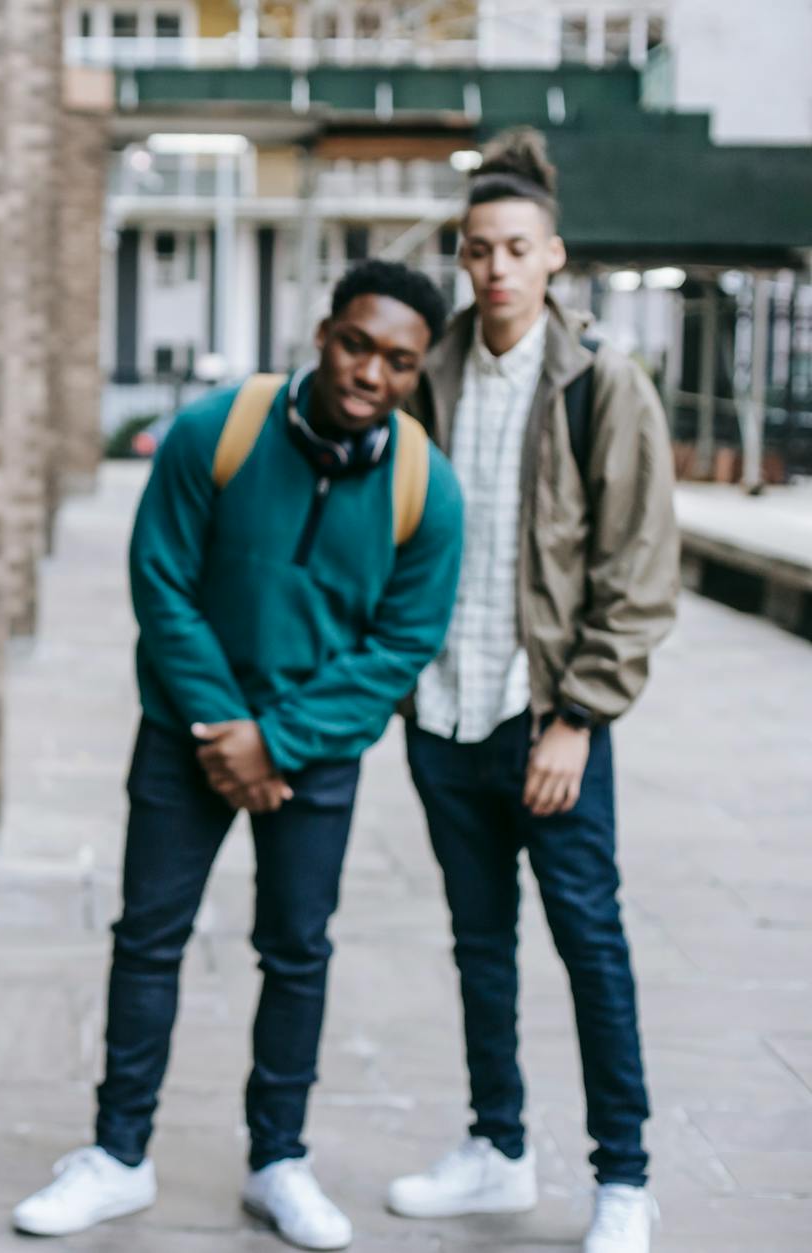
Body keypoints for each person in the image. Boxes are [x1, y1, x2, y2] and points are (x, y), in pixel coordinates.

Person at [13, 261, 464, 1250]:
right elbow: (159, 581)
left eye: (396, 360)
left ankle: (278, 1159)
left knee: (295, 949)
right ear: (321, 333)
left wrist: (278, 738)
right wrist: (224, 728)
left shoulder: (424, 488)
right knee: (148, 935)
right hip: (185, 734)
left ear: (414, 371)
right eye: (357, 344)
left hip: (316, 752)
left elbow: (401, 643)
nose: (369, 373)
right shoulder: (214, 429)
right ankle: (116, 1155)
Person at [385, 130, 680, 1253]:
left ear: (551, 254)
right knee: (478, 944)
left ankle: (623, 1175)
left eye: (515, 247)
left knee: (587, 942)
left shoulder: (601, 384)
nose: (495, 266)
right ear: (460, 259)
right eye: (475, 249)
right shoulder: (431, 376)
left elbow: (636, 571)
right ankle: (495, 1147)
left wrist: (574, 717)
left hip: (546, 723)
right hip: (445, 716)